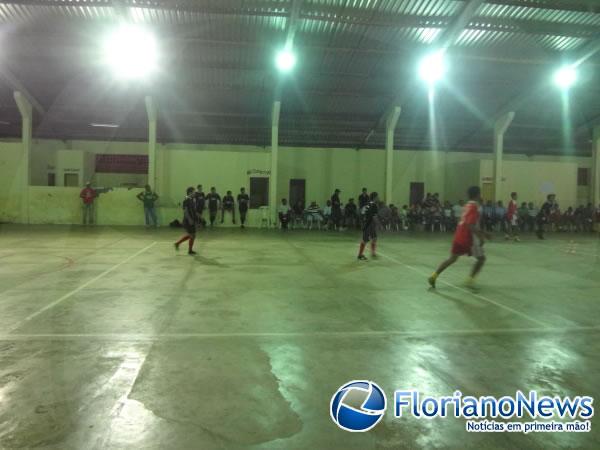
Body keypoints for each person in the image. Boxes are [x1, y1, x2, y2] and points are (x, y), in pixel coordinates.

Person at [428, 186, 491, 289]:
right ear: (478, 194)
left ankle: (433, 276)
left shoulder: (467, 205)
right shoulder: (475, 206)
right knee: (481, 259)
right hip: (469, 238)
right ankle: (470, 281)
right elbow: (470, 225)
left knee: (452, 258)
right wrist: (482, 236)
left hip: (458, 235)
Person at [174, 187, 198, 255]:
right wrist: (190, 219)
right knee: (192, 235)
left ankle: (178, 243)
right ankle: (189, 250)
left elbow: (193, 211)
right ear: (190, 192)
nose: (195, 193)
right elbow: (185, 211)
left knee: (192, 235)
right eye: (194, 192)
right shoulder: (186, 200)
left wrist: (197, 217)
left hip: (192, 220)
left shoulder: (192, 200)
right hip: (188, 220)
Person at [357, 192, 379, 261]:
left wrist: (362, 222)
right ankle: (360, 255)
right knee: (365, 240)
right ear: (375, 197)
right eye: (377, 197)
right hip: (369, 224)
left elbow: (361, 213)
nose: (378, 198)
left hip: (366, 223)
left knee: (374, 238)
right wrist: (379, 224)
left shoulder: (367, 204)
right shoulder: (374, 205)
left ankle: (373, 253)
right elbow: (374, 217)